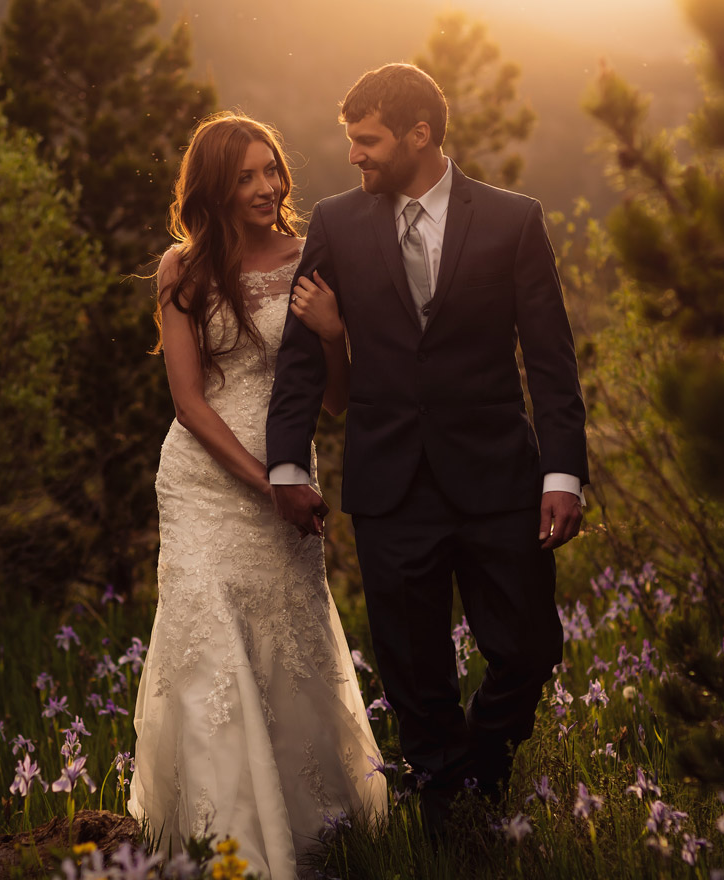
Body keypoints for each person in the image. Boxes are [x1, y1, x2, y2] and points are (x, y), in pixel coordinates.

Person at [265, 63, 590, 833]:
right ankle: (453, 817)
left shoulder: (515, 220)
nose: (353, 157)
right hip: (390, 484)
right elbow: (301, 358)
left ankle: (476, 767)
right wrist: (286, 462)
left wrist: (564, 472)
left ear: (419, 135)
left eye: (367, 140)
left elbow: (550, 358)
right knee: (412, 667)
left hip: (498, 478)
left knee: (530, 647)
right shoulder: (338, 225)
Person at [129, 111, 386, 880]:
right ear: (212, 187)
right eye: (245, 175)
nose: (267, 186)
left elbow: (337, 402)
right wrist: (267, 481)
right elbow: (188, 401)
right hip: (206, 481)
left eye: (271, 168)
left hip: (288, 474)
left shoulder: (311, 260)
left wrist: (335, 332)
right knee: (207, 637)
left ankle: (313, 829)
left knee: (285, 642)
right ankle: (217, 840)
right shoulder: (183, 269)